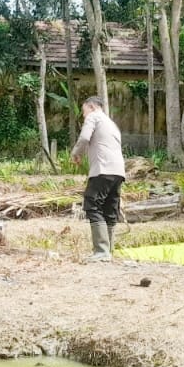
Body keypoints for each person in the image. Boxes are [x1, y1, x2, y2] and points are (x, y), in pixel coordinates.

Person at [70, 96, 125, 261]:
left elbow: (85, 137)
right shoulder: (111, 123)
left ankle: (101, 251)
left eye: (84, 110)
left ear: (92, 107)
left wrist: (75, 153)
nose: (83, 115)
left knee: (92, 204)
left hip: (103, 169)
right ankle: (108, 251)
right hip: (118, 171)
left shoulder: (94, 117)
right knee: (110, 208)